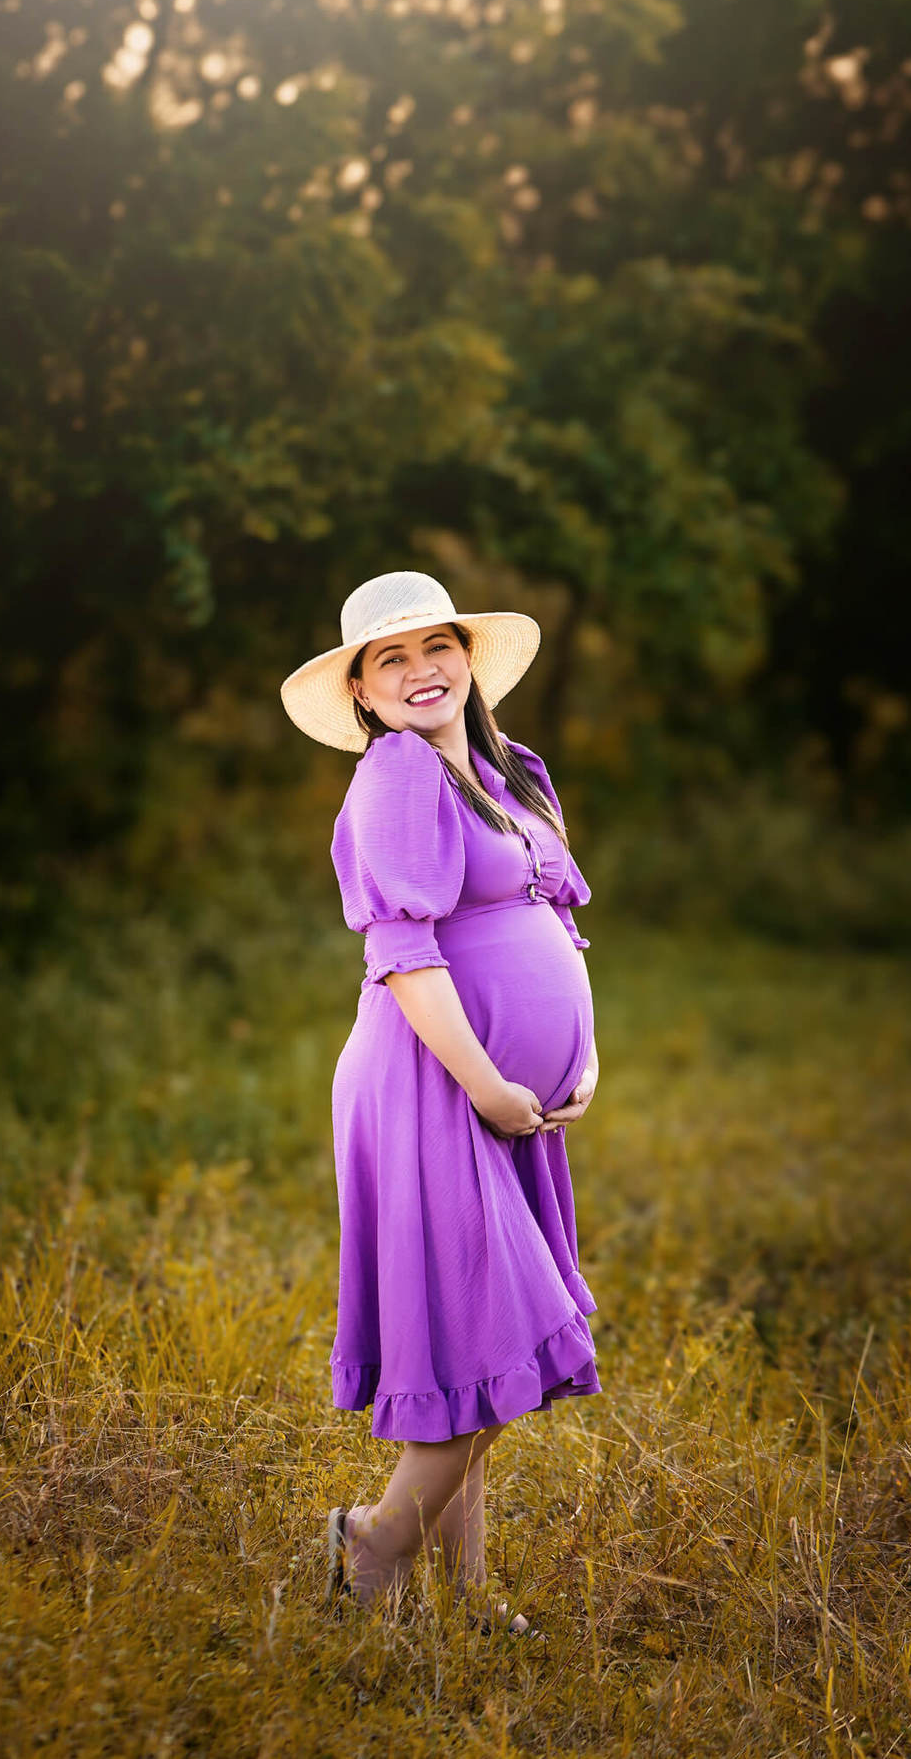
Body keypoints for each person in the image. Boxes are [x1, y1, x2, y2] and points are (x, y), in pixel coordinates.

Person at [279, 570, 600, 1636]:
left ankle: (464, 1596)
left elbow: (559, 921)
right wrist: (491, 1087)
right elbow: (405, 957)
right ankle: (368, 1548)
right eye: (391, 658)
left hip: (504, 1099)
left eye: (435, 647)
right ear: (363, 693)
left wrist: (581, 1055)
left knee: (482, 1360)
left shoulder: (506, 772)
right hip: (433, 1087)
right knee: (487, 1349)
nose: (421, 671)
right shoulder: (400, 777)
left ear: (468, 656)